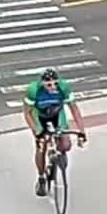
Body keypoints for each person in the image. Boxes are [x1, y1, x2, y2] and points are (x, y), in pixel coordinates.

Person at [24, 68, 87, 197]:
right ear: (42, 84)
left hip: (57, 114)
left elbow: (74, 109)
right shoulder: (33, 90)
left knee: (65, 144)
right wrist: (37, 132)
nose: (53, 87)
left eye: (55, 83)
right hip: (39, 115)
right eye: (49, 85)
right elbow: (27, 114)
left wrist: (82, 132)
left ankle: (58, 154)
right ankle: (41, 177)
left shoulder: (64, 87)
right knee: (41, 146)